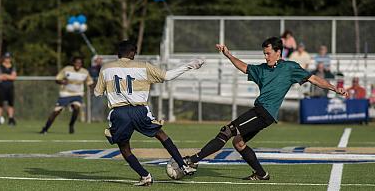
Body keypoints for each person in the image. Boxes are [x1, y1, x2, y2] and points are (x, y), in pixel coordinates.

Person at [184, 37, 347, 181]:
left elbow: (314, 79)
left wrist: (334, 88)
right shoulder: (262, 69)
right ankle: (261, 174)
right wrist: (228, 54)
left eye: (268, 53)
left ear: (278, 52)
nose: (265, 56)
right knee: (238, 143)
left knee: (227, 131)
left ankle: (192, 161)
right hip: (262, 113)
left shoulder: (290, 67)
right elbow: (244, 67)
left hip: (263, 113)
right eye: (264, 53)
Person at [94, 40, 204, 186]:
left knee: (125, 149)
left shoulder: (106, 68)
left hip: (119, 112)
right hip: (139, 110)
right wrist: (190, 65)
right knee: (161, 135)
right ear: (132, 52)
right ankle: (183, 165)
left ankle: (145, 176)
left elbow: (97, 93)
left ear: (118, 53)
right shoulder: (143, 66)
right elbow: (167, 76)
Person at [40, 56, 93, 134]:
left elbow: (90, 83)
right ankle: (45, 128)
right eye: (76, 62)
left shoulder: (85, 72)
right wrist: (62, 82)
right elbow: (57, 79)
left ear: (82, 64)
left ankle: (71, 125)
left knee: (76, 108)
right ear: (73, 63)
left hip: (77, 94)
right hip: (65, 94)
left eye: (80, 63)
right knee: (56, 112)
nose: (78, 64)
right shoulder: (67, 69)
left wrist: (94, 89)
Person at [0, 53, 17, 125]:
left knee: (11, 104)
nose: (7, 59)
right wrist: (8, 76)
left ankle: (11, 119)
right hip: (1, 87)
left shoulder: (12, 67)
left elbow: (13, 77)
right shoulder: (0, 67)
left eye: (9, 58)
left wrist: (5, 75)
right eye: (6, 58)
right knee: (0, 103)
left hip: (10, 87)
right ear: (4, 58)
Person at [88, 55, 106, 121]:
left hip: (101, 90)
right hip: (93, 90)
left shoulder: (102, 68)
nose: (100, 61)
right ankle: (93, 117)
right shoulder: (92, 68)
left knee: (101, 105)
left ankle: (99, 117)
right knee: (94, 104)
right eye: (99, 59)